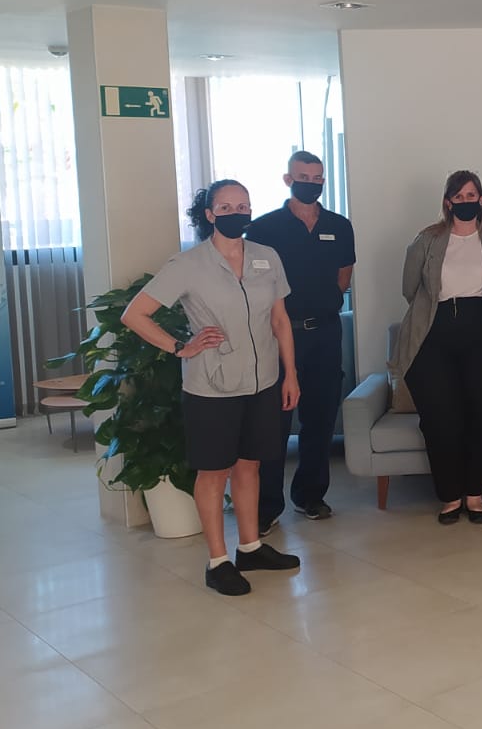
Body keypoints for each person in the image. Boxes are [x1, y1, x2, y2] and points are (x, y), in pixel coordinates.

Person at [121, 181, 301, 595]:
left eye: (244, 205)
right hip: (213, 386)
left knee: (250, 464)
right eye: (226, 206)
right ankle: (218, 560)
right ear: (209, 214)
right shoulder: (188, 264)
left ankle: (251, 547)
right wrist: (179, 347)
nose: (237, 212)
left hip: (263, 381)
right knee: (214, 470)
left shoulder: (266, 258)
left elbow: (279, 321)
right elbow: (136, 314)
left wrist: (290, 374)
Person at [393, 170, 482, 524]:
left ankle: (475, 496)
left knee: (479, 417)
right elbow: (409, 288)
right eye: (458, 196)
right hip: (433, 339)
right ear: (448, 202)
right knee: (439, 421)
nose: (466, 202)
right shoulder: (427, 240)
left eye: (472, 195)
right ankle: (449, 496)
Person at [248, 151, 355, 531]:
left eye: (318, 177)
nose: (311, 182)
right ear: (288, 179)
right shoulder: (263, 229)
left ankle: (310, 495)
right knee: (274, 422)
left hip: (325, 332)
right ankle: (266, 507)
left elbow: (344, 275)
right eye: (303, 176)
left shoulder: (339, 226)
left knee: (321, 417)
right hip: (278, 334)